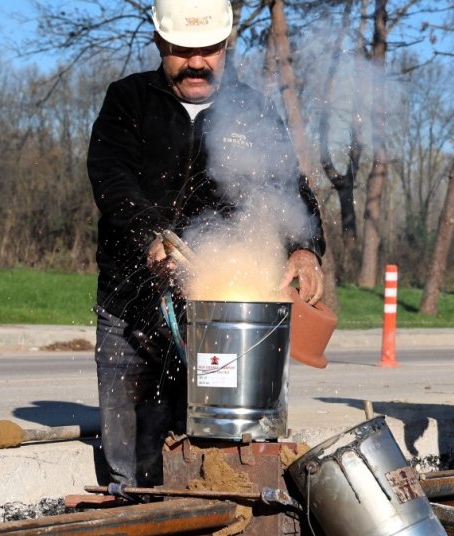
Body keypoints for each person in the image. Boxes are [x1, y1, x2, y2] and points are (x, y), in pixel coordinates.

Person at [86, 0, 325, 490]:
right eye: (182, 50)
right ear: (159, 44)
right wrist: (152, 234)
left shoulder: (251, 108)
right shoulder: (127, 100)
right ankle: (134, 525)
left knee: (218, 446)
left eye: (208, 50)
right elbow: (112, 180)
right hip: (129, 310)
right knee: (132, 461)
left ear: (225, 45)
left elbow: (288, 187)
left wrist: (304, 248)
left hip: (218, 318)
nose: (196, 63)